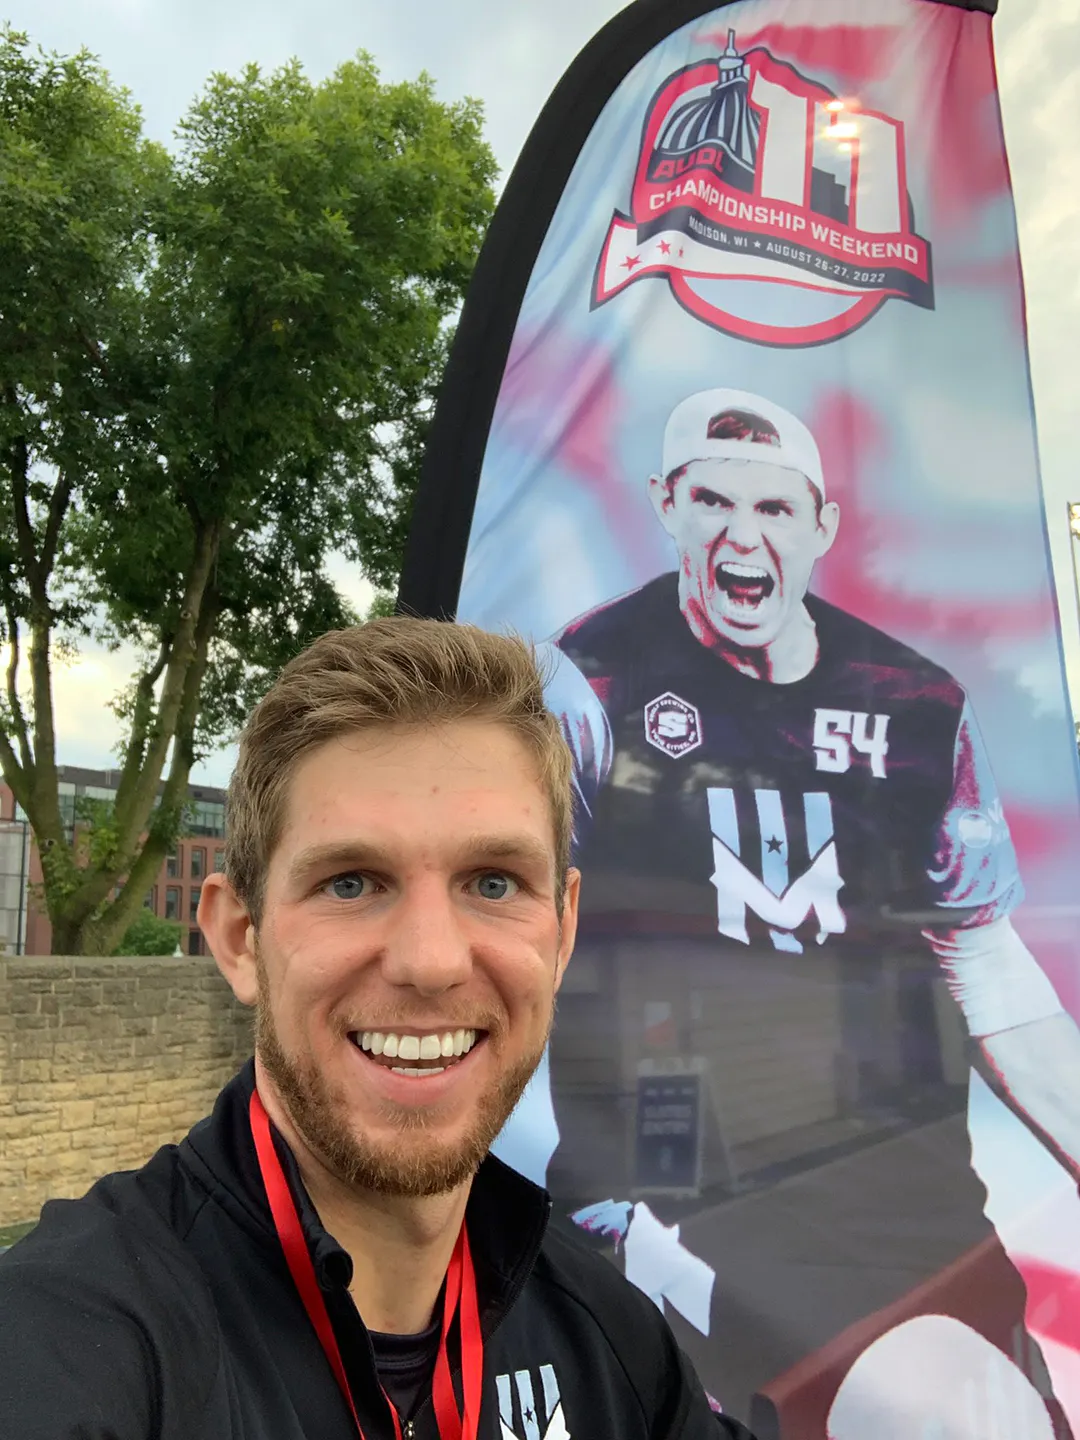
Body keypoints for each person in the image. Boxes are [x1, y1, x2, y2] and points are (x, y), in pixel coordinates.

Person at [0, 620, 752, 1440]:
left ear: (563, 931)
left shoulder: (613, 1348)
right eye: (351, 882)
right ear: (240, 939)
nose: (430, 962)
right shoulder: (67, 1344)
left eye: (493, 883)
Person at [489, 387, 1080, 1425]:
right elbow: (505, 919)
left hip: (906, 1190)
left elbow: (980, 958)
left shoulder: (917, 703)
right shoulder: (585, 683)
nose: (741, 536)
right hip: (680, 1176)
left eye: (772, 508)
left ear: (821, 526)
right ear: (666, 506)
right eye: (712, 502)